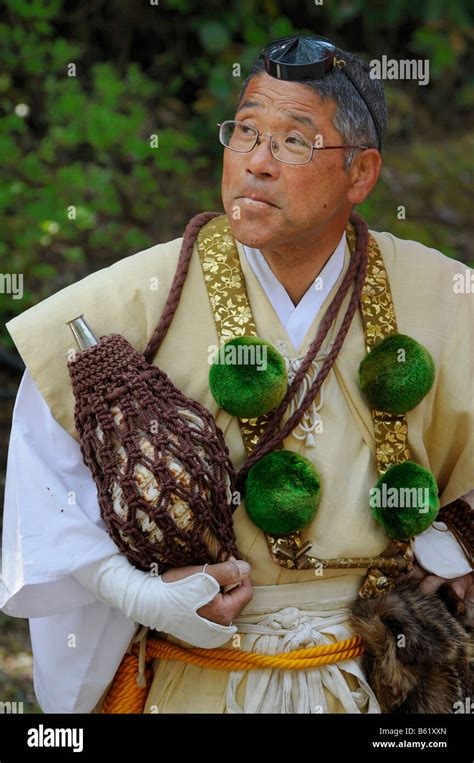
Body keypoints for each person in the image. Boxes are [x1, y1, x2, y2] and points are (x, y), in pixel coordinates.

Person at [1, 36, 472, 714]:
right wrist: (137, 593)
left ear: (361, 173)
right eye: (246, 131)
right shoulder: (126, 304)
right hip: (198, 678)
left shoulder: (447, 299)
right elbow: (46, 481)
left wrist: (447, 546)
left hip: (374, 683)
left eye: (291, 141)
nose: (255, 162)